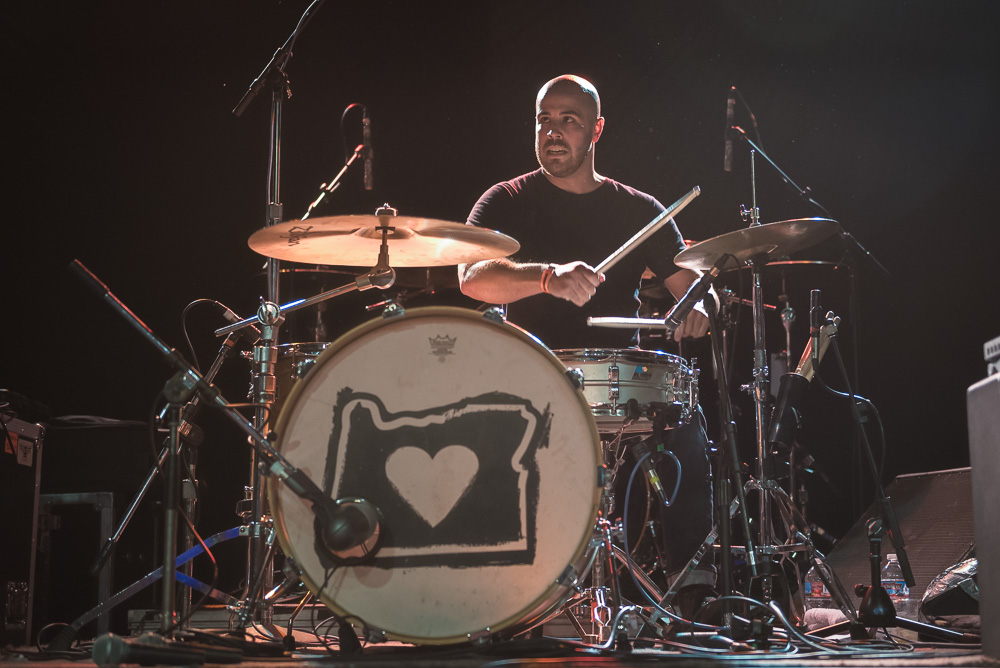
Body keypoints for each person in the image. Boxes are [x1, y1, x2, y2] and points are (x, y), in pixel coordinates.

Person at [459, 75, 716, 616]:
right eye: (544, 119)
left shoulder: (637, 208)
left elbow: (693, 290)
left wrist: (699, 309)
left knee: (687, 420)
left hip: (617, 381)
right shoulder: (505, 199)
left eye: (569, 120)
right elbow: (472, 276)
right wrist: (548, 277)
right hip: (530, 372)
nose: (553, 132)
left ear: (597, 129)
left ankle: (694, 586)